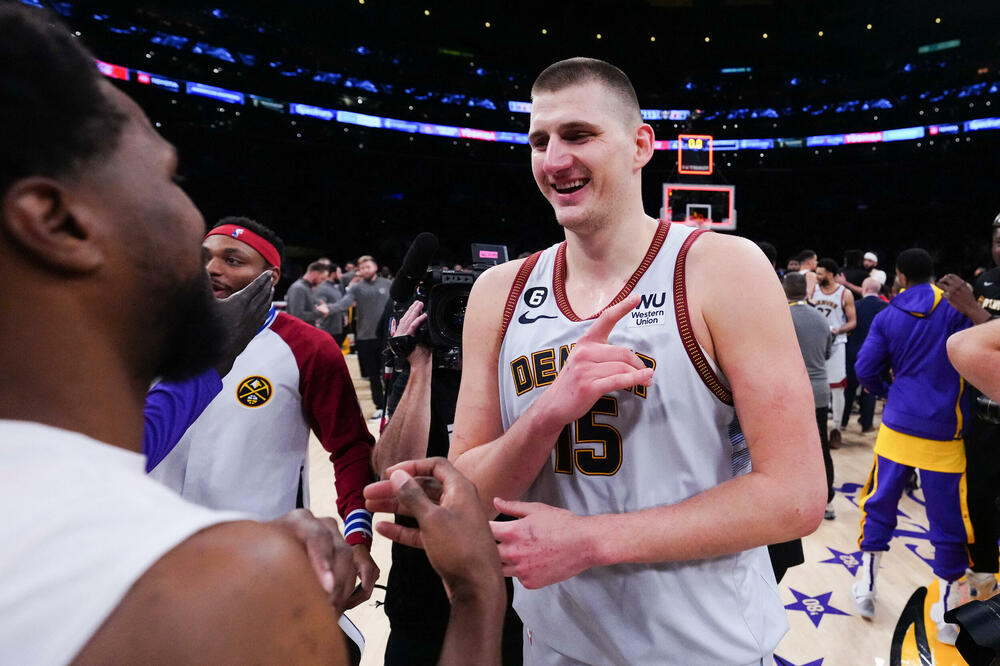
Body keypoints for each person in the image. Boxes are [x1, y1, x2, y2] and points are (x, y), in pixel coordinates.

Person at [0, 7, 507, 662]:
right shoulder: (229, 593)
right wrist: (475, 594)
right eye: (167, 176)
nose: (206, 256)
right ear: (56, 224)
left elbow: (342, 449)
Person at [449, 57, 825, 663]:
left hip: (707, 647)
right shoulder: (499, 292)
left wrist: (591, 541)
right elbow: (465, 493)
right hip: (555, 645)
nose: (554, 160)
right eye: (539, 141)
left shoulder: (721, 268)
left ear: (640, 144)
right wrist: (546, 416)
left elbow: (797, 496)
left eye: (579, 135)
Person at [150, 217, 381, 604]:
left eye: (233, 260)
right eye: (204, 258)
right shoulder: (151, 334)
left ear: (270, 277)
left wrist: (357, 535)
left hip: (259, 559)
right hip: (149, 548)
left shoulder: (309, 346)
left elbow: (350, 448)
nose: (212, 269)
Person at [373, 301, 524, 665]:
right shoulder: (421, 380)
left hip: (516, 593)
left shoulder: (520, 377)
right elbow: (392, 477)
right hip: (420, 593)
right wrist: (419, 366)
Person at [852, 248, 973, 644]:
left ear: (899, 276)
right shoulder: (957, 311)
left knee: (879, 505)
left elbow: (865, 370)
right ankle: (949, 616)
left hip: (898, 427)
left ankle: (866, 589)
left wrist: (888, 391)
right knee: (949, 524)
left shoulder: (888, 316)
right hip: (945, 432)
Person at [938, 213, 1000, 602]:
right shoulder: (986, 280)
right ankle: (983, 575)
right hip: (982, 413)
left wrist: (974, 312)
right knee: (978, 496)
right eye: (997, 239)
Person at [784, 273, 835, 520]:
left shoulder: (780, 317)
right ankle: (828, 501)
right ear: (806, 291)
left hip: (790, 392)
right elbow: (826, 354)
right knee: (821, 446)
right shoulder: (821, 318)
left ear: (784, 291)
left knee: (787, 449)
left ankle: (793, 500)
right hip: (819, 391)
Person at [329, 255, 392, 418]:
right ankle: (380, 407)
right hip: (365, 337)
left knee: (389, 374)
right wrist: (328, 309)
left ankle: (392, 405)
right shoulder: (356, 288)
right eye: (362, 268)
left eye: (368, 267)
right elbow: (343, 304)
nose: (365, 270)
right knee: (373, 375)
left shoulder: (388, 285)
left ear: (375, 268)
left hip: (387, 337)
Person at [813, 258, 857, 448]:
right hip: (816, 344)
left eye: (820, 273)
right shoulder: (813, 290)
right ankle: (815, 429)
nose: (817, 276)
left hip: (837, 343)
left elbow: (853, 322)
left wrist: (838, 329)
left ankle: (836, 428)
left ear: (830, 274)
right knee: (812, 386)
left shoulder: (844, 293)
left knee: (837, 387)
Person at [843, 277, 888, 434]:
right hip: (876, 354)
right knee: (869, 390)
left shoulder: (855, 305)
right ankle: (867, 424)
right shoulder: (886, 307)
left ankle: (843, 421)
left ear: (865, 289)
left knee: (848, 389)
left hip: (853, 351)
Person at [316, 263, 348, 347]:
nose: (341, 275)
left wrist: (344, 315)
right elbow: (320, 307)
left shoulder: (336, 287)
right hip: (327, 329)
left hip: (337, 328)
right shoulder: (322, 288)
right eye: (339, 273)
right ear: (333, 274)